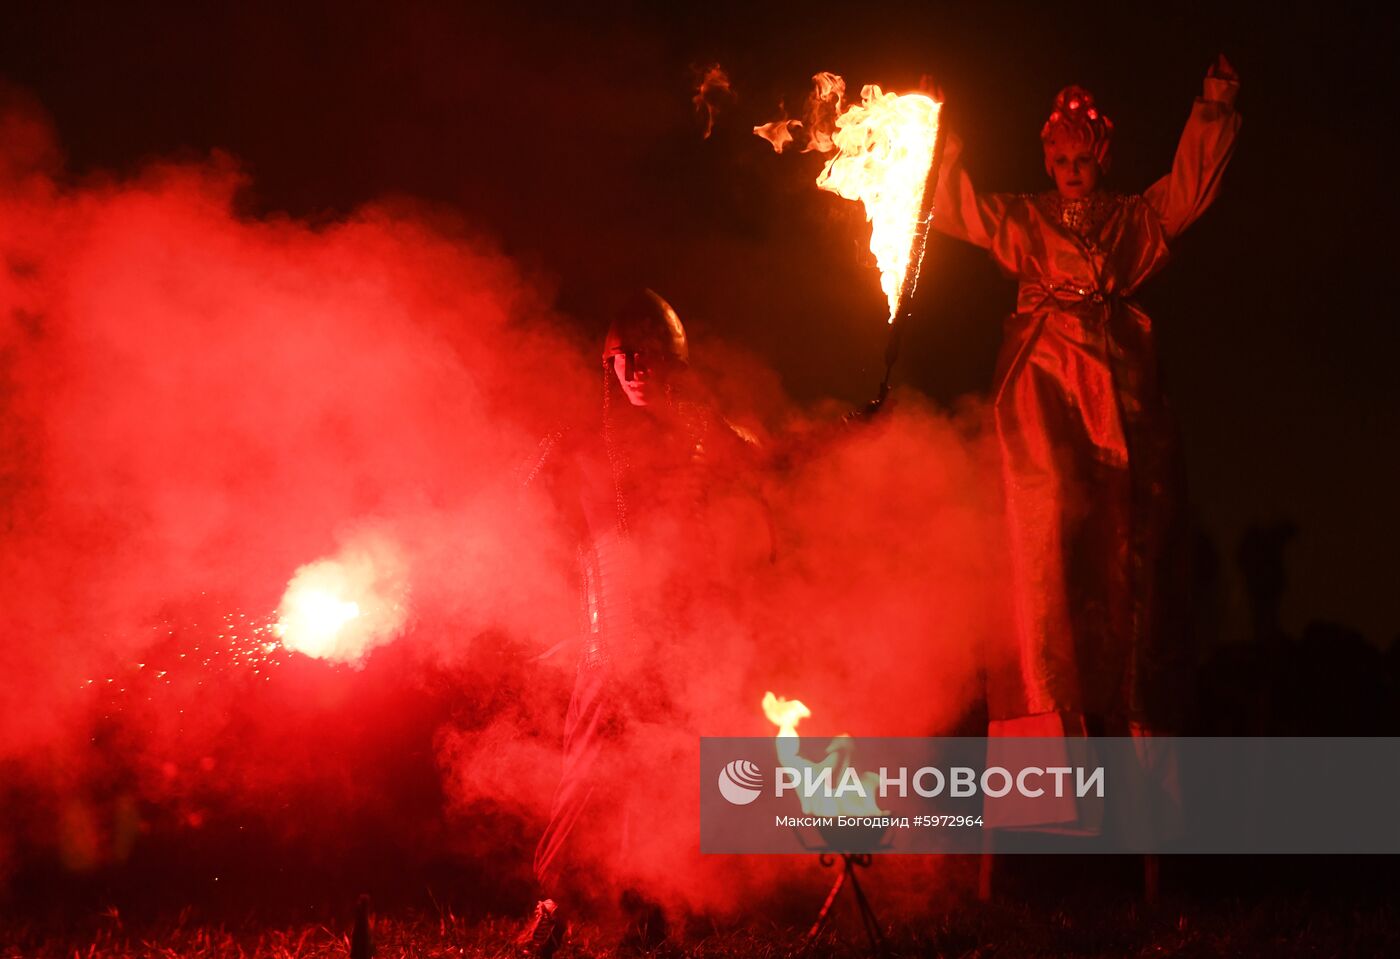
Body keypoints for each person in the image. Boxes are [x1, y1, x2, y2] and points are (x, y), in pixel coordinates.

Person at [930, 56, 1240, 815]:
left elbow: (1190, 192)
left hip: (1125, 398)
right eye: (1059, 159)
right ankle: (1045, 791)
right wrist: (931, 138)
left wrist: (1215, 104)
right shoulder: (1025, 218)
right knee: (1043, 564)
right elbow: (955, 208)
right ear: (1047, 161)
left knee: (1130, 565)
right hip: (1041, 394)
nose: (1071, 170)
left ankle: (1146, 793)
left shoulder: (1134, 219)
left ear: (1101, 158)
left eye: (1082, 158)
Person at [516, 290, 763, 956]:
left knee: (674, 769)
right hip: (613, 629)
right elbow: (525, 507)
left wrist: (855, 423)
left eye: (647, 356)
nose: (635, 370)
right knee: (588, 771)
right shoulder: (582, 439)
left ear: (670, 359)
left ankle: (655, 904)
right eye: (622, 358)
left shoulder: (709, 429)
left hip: (685, 626)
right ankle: (552, 904)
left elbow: (774, 466)